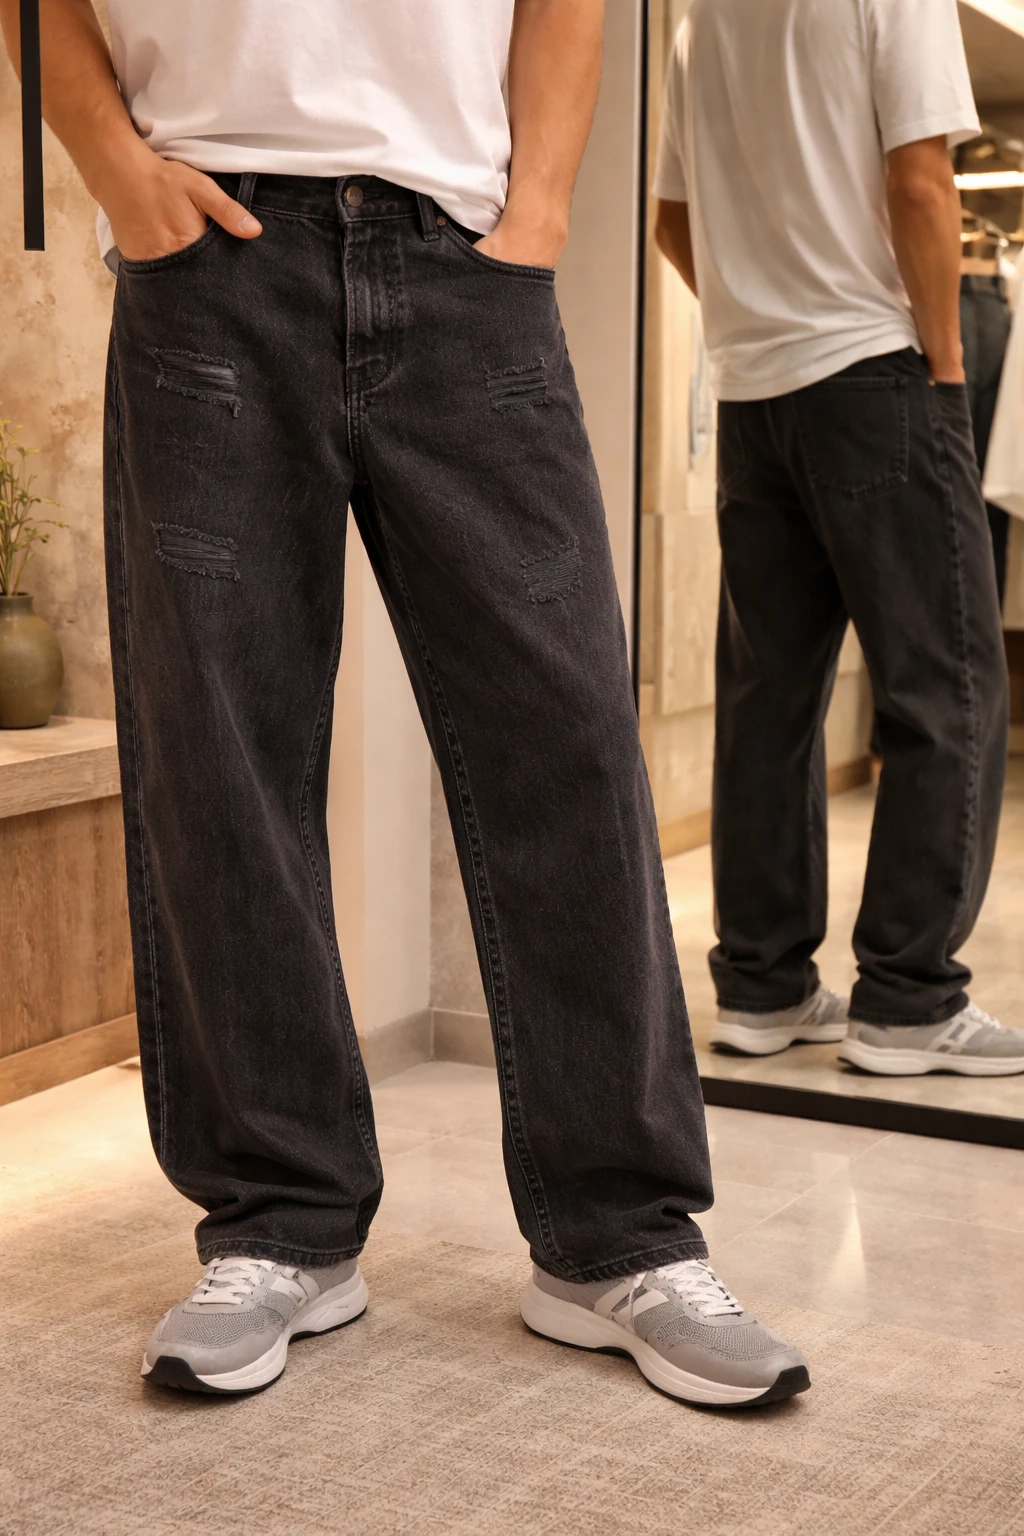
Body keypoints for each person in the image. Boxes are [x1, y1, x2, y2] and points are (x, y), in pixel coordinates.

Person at [1, 0, 810, 1406]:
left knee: (568, 745)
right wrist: (118, 174)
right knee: (221, 756)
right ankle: (279, 1225)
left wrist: (539, 208)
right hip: (207, 254)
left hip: (463, 255)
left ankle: (620, 1238)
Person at [654, 0, 1024, 1077]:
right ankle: (908, 999)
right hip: (874, 372)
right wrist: (943, 370)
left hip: (751, 393)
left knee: (768, 702)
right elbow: (922, 182)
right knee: (947, 689)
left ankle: (762, 987)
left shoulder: (700, 22)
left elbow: (671, 220)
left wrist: (761, 317)